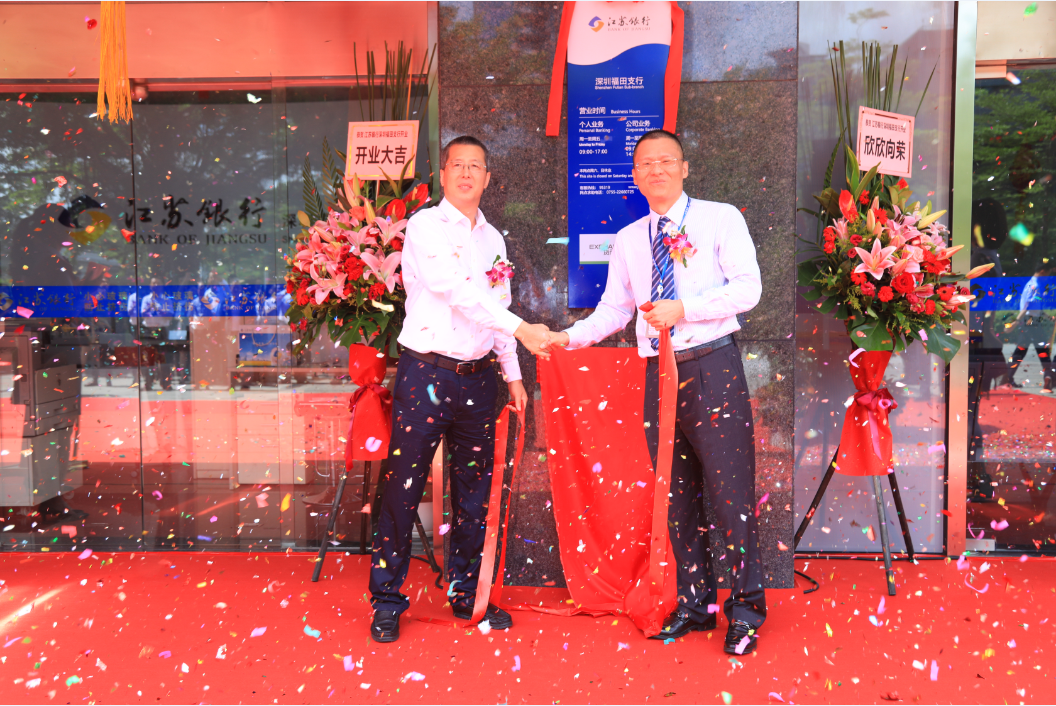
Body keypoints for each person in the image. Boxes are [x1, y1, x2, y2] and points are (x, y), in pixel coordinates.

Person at [547, 129, 766, 654]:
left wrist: (684, 309)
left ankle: (745, 611)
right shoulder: (629, 238)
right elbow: (613, 310)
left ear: (684, 168)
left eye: (666, 160)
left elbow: (749, 289)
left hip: (712, 366)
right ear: (635, 176)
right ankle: (694, 605)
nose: (657, 170)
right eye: (646, 163)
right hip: (658, 377)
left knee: (732, 496)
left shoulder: (720, 219)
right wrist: (567, 339)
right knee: (676, 498)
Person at [369, 135, 552, 643]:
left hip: (477, 380)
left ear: (488, 178)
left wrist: (512, 374)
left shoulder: (494, 240)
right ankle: (386, 600)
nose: (467, 173)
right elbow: (454, 289)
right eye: (458, 165)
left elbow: (497, 308)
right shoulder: (425, 225)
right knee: (403, 489)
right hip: (425, 375)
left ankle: (467, 593)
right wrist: (522, 330)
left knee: (473, 494)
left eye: (476, 166)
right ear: (443, 175)